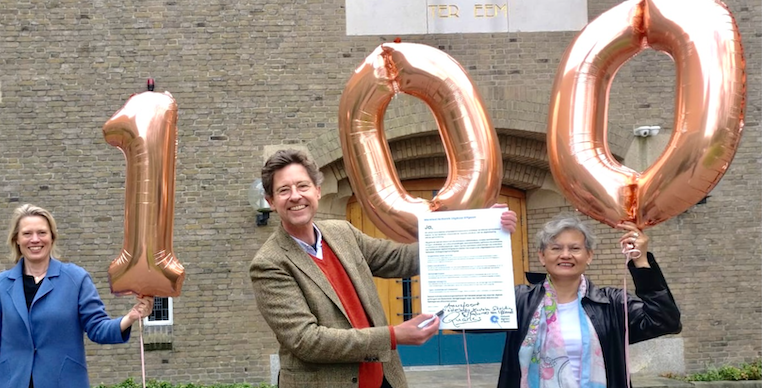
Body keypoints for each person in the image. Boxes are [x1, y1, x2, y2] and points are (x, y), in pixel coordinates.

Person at [250, 149, 517, 388]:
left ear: (317, 191)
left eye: (302, 186)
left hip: (384, 377)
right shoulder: (270, 263)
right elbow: (307, 341)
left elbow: (399, 259)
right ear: (271, 201)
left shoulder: (342, 233)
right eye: (284, 190)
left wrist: (479, 227)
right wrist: (394, 335)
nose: (296, 196)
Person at [0, 204, 154, 388]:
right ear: (17, 240)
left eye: (42, 233)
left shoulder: (76, 279)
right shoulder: (0, 285)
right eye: (27, 234)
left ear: (52, 237)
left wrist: (131, 317)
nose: (35, 239)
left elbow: (97, 328)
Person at [497, 214, 682, 388]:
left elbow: (665, 321)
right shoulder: (520, 300)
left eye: (575, 248)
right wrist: (489, 229)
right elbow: (472, 316)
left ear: (589, 256)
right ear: (542, 256)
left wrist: (640, 261)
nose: (566, 254)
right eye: (556, 248)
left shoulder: (611, 303)